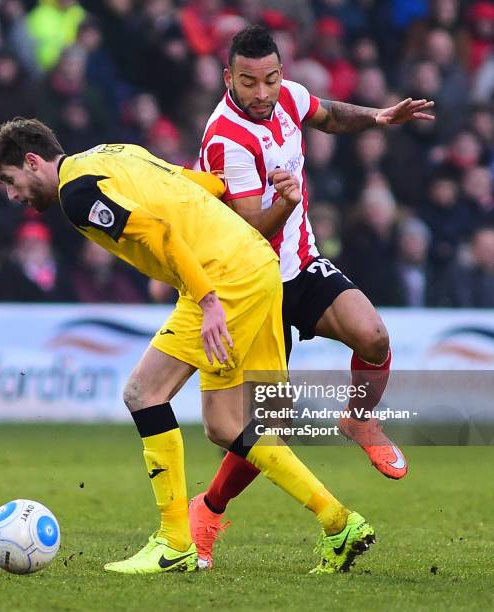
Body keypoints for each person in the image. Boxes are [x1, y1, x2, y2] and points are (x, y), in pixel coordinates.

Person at [0, 117, 376, 575]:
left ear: (33, 161)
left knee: (143, 393)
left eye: (11, 182)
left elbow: (158, 232)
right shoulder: (112, 150)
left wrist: (208, 300)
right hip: (257, 264)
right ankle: (339, 523)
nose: (13, 196)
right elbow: (197, 181)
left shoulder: (77, 196)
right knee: (227, 425)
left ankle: (174, 542)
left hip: (222, 279)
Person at [191, 25, 434, 568]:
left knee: (373, 336)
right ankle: (206, 511)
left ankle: (359, 419)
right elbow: (253, 228)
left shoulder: (287, 97)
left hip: (299, 266)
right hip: (253, 286)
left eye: (271, 79)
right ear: (228, 77)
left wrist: (376, 116)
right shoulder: (226, 137)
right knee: (267, 429)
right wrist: (287, 201)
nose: (263, 93)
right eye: (249, 82)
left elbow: (323, 112)